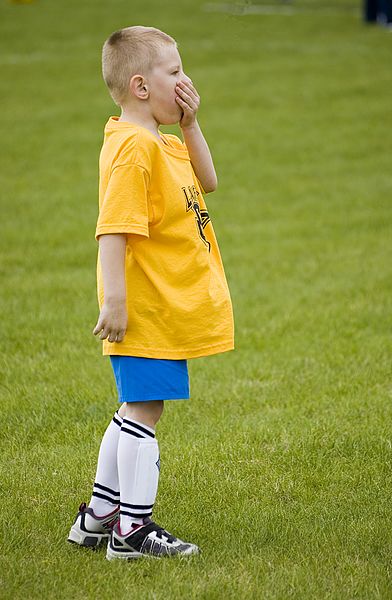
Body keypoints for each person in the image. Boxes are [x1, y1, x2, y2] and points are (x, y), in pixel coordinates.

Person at [67, 25, 235, 561]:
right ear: (141, 86)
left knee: (135, 406)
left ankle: (97, 518)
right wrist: (114, 300)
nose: (186, 80)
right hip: (145, 306)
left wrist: (191, 123)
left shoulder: (159, 140)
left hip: (162, 304)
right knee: (145, 410)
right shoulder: (133, 148)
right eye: (175, 72)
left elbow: (207, 180)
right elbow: (112, 228)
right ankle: (132, 531)